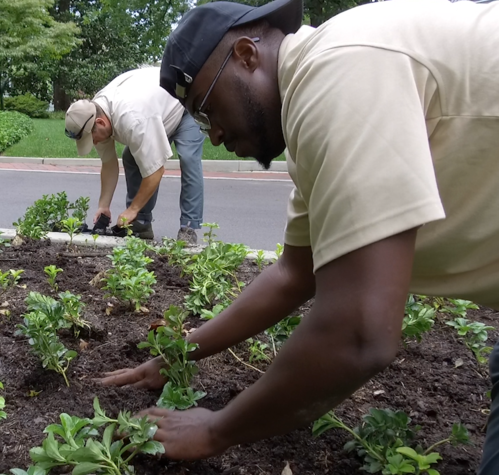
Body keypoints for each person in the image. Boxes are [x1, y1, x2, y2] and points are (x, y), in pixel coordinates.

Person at [101, 0, 499, 472]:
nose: (215, 135)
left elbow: (360, 333)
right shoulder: (322, 94)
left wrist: (215, 430)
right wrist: (179, 352)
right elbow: (294, 273)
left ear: (247, 54)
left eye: (206, 110)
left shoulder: (340, 72)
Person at [64, 67, 206, 243]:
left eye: (91, 139)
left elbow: (155, 172)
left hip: (184, 101)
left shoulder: (133, 118)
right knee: (131, 158)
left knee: (188, 158)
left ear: (100, 123)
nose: (93, 143)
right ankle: (141, 223)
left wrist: (132, 209)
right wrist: (104, 206)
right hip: (155, 111)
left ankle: (189, 227)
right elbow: (108, 164)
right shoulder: (95, 112)